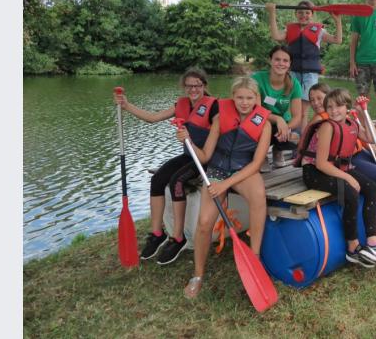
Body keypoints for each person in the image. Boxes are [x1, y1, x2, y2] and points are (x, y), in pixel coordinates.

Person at [176, 77, 272, 299]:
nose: (245, 102)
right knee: (204, 223)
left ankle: (255, 258)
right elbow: (205, 156)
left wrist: (226, 185)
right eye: (239, 97)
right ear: (232, 97)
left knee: (259, 197)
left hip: (243, 170)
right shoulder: (220, 119)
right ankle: (198, 275)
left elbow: (257, 164)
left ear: (256, 98)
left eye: (249, 98)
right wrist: (188, 141)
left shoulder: (265, 124)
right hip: (217, 169)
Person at [113, 67, 217, 265]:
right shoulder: (181, 104)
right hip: (189, 156)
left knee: (176, 181)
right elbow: (152, 118)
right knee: (157, 178)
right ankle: (157, 233)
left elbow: (218, 139)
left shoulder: (214, 107)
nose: (193, 89)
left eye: (198, 85)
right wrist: (127, 106)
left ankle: (178, 237)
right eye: (189, 86)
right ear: (184, 87)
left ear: (204, 85)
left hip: (206, 159)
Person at [301, 83, 376, 264]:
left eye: (338, 106)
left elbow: (371, 138)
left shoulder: (351, 123)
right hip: (314, 172)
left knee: (372, 188)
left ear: (347, 108)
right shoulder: (327, 127)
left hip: (337, 169)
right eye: (330, 107)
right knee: (351, 191)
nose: (334, 111)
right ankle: (352, 248)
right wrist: (348, 177)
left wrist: (362, 115)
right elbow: (320, 163)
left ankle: (373, 242)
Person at [265, 0, 342, 134]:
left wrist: (337, 20)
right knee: (295, 109)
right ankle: (296, 135)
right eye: (300, 12)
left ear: (312, 14)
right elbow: (276, 36)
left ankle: (301, 139)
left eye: (307, 13)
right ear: (295, 14)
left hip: (310, 74)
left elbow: (337, 40)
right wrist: (272, 13)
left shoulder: (319, 31)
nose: (303, 15)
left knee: (304, 111)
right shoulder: (289, 30)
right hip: (293, 73)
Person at [251, 45, 303, 169]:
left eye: (285, 60)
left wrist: (286, 127)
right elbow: (256, 110)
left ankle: (277, 150)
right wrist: (277, 119)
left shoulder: (294, 84)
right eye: (277, 59)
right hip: (262, 120)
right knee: (259, 126)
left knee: (297, 136)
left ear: (290, 64)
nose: (281, 63)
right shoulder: (257, 79)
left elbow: (297, 117)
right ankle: (261, 154)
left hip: (283, 123)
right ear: (270, 60)